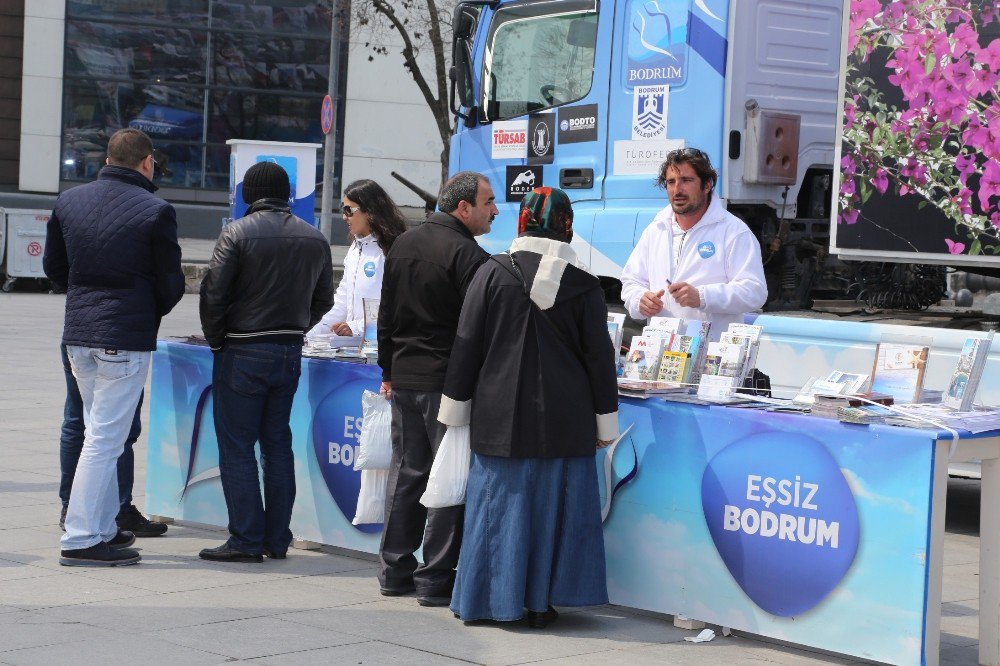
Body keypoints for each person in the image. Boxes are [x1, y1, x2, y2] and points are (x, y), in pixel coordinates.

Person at [438, 187, 619, 628]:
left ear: (522, 222)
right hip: (567, 418)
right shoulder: (585, 285)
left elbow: (466, 346)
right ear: (566, 225)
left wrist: (455, 410)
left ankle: (490, 601)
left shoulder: (492, 272)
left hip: (500, 417)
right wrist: (605, 423)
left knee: (498, 511)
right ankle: (542, 604)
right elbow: (599, 360)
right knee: (555, 513)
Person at [44, 127, 185, 566]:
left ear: (107, 159)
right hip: (123, 337)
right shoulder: (156, 210)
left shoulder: (69, 201)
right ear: (146, 162)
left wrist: (86, 295)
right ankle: (82, 537)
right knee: (105, 439)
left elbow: (54, 267)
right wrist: (146, 308)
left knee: (97, 434)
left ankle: (102, 526)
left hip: (79, 334)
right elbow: (171, 283)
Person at [198, 161, 334, 563]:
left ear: (248, 194)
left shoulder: (235, 233)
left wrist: (217, 340)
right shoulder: (315, 238)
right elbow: (324, 299)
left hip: (242, 350)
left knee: (237, 446)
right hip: (288, 350)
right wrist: (296, 328)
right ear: (285, 194)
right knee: (276, 444)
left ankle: (245, 539)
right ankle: (276, 539)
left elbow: (213, 295)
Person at [376, 171, 496, 606]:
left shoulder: (404, 244)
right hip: (446, 385)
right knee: (448, 478)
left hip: (407, 378)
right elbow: (475, 332)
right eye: (488, 202)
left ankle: (393, 569)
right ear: (463, 208)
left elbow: (385, 317)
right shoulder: (471, 257)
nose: (494, 210)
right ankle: (434, 578)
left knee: (408, 473)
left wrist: (388, 367)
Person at [621, 147, 767, 340]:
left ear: (707, 185)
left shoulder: (733, 231)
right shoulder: (656, 229)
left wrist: (703, 297)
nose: (677, 189)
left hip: (711, 357)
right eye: (671, 182)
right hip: (661, 356)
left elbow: (754, 291)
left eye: (686, 180)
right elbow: (631, 282)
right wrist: (640, 300)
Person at [58, 345, 167, 537]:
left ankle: (79, 511)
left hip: (78, 336)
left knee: (83, 425)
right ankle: (92, 525)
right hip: (118, 341)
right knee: (109, 434)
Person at [307, 179, 407, 340]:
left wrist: (356, 327)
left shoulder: (393, 249)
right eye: (343, 209)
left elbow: (399, 306)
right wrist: (310, 333)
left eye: (349, 210)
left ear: (370, 210)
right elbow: (341, 302)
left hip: (383, 347)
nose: (344, 217)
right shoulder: (355, 248)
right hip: (355, 348)